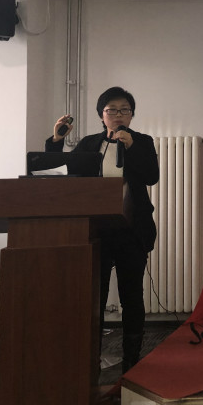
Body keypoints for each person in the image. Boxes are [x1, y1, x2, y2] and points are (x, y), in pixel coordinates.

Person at [46, 86, 159, 373]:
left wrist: (131, 147)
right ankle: (90, 358)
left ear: (131, 115)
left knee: (131, 295)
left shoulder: (142, 142)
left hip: (132, 230)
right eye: (112, 110)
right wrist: (57, 141)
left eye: (125, 110)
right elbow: (61, 173)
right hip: (96, 230)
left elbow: (151, 176)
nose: (118, 115)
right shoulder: (88, 144)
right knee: (94, 297)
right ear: (101, 115)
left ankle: (132, 360)